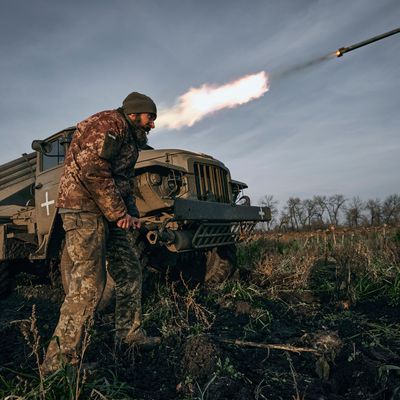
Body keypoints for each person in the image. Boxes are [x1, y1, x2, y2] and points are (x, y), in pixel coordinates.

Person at [42, 92, 158, 373]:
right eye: (150, 117)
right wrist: (119, 213)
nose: (153, 124)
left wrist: (130, 214)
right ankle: (58, 362)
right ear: (134, 114)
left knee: (130, 271)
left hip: (108, 212)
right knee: (88, 285)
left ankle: (129, 335)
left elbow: (124, 181)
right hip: (83, 209)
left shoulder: (130, 138)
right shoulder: (108, 124)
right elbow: (93, 171)